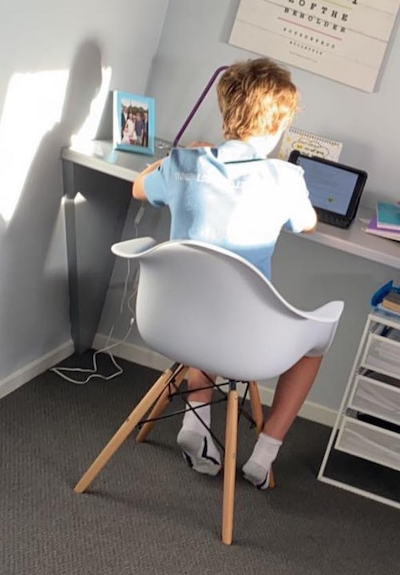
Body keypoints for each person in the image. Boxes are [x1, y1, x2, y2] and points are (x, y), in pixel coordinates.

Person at [131, 57, 320, 490]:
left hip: (173, 325)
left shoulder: (184, 165)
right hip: (243, 341)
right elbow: (307, 222)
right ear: (279, 123)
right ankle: (265, 453)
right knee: (315, 341)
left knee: (208, 301)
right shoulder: (285, 178)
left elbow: (138, 187)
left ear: (227, 110)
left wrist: (179, 157)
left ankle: (197, 422)